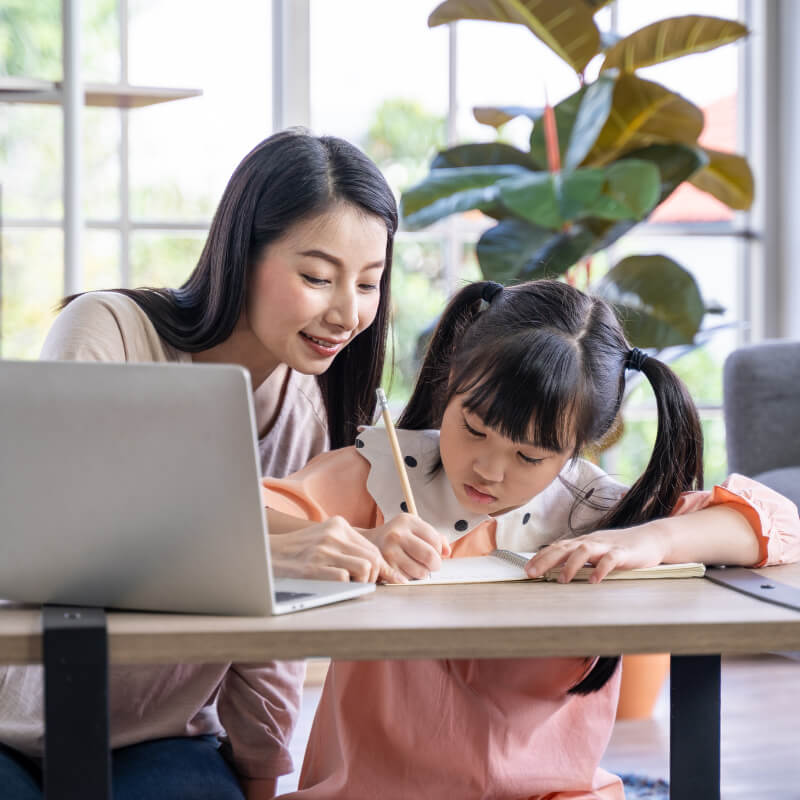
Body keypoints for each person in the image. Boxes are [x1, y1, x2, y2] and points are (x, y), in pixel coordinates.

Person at [0, 129, 437, 800]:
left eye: (370, 283)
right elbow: (61, 541)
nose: (348, 312)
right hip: (13, 725)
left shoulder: (304, 411)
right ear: (242, 254)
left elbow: (267, 644)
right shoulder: (108, 330)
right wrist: (271, 553)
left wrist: (261, 777)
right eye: (317, 276)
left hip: (163, 739)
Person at [260, 279, 800, 800]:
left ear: (579, 448)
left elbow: (781, 525)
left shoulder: (592, 511)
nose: (489, 471)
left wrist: (650, 541)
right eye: (473, 428)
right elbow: (239, 516)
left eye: (529, 457)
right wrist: (357, 537)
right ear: (452, 384)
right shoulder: (376, 475)